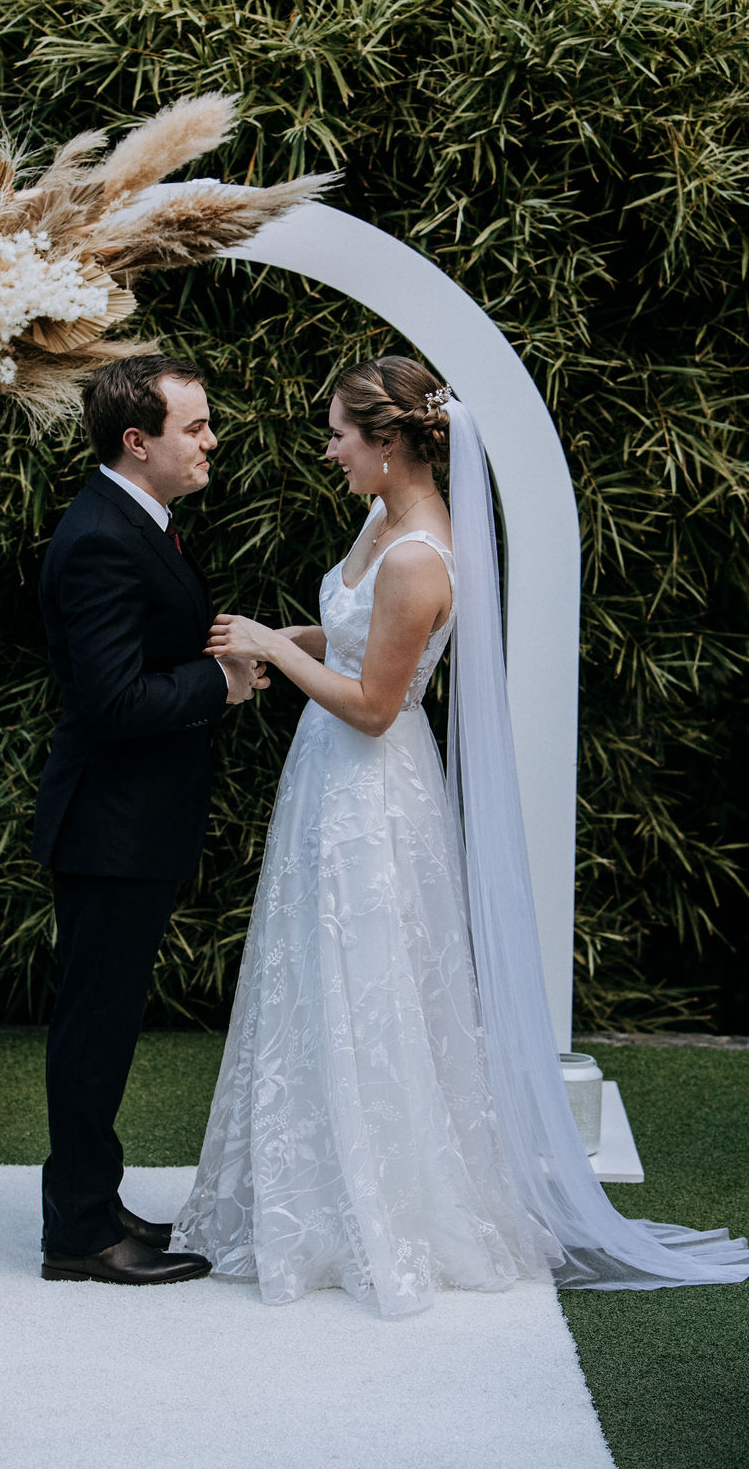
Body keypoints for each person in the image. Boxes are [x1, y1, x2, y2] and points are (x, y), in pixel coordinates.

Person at [172, 354, 749, 1316]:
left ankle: (389, 1209)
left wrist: (272, 651)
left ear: (389, 443)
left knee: (376, 980)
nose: (329, 449)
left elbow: (374, 703)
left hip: (372, 790)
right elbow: (350, 636)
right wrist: (287, 634)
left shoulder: (419, 556)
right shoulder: (379, 521)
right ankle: (311, 1194)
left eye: (340, 434)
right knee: (320, 976)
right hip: (325, 781)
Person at [32, 354, 266, 1286]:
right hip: (109, 830)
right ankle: (80, 1236)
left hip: (130, 826)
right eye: (196, 427)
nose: (212, 441)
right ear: (139, 442)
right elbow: (114, 701)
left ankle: (97, 1201)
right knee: (93, 1031)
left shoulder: (138, 522)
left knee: (105, 1025)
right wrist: (222, 682)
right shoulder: (100, 537)